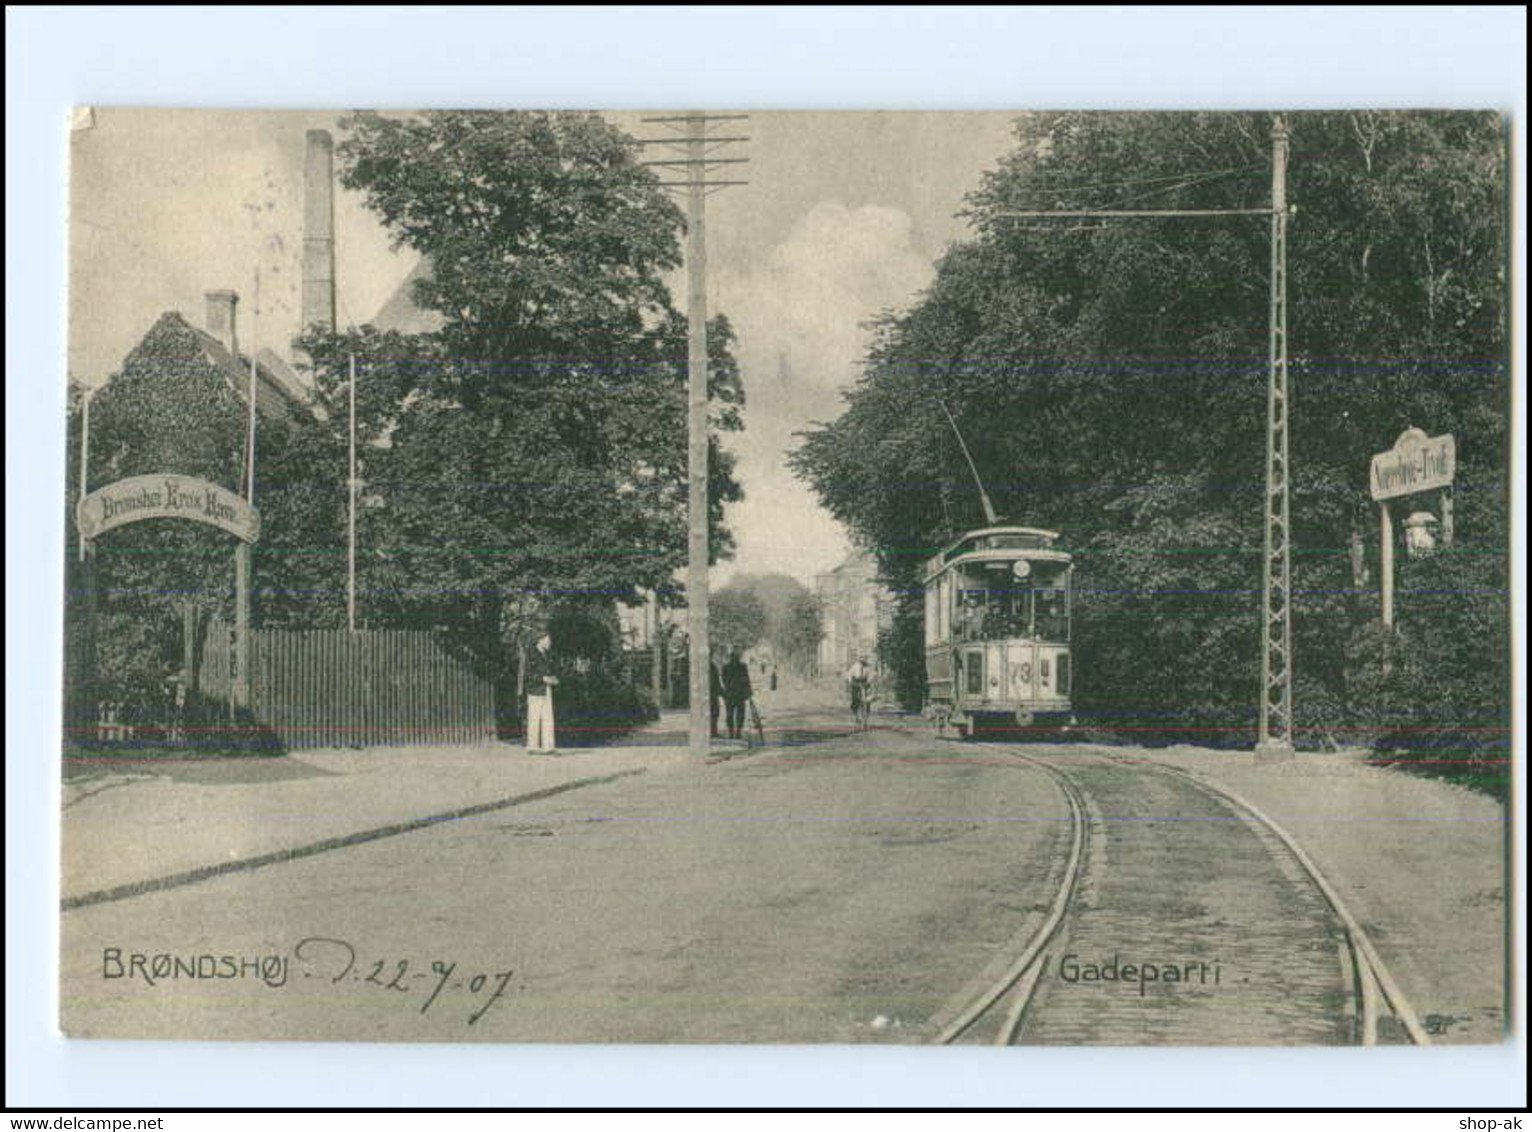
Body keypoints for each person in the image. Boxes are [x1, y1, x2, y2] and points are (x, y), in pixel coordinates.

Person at [523, 633, 560, 753]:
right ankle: (532, 746)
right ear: (541, 640)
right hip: (535, 689)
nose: (550, 643)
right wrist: (543, 678)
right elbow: (528, 674)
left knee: (548, 718)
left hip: (546, 688)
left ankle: (548, 746)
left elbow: (549, 670)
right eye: (548, 640)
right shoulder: (531, 654)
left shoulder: (547, 654)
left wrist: (553, 678)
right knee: (534, 717)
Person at [721, 647, 753, 739]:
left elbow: (724, 680)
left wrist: (748, 691)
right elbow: (746, 680)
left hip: (733, 694)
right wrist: (748, 691)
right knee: (734, 714)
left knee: (734, 714)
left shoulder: (728, 667)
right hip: (737, 694)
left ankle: (735, 732)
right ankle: (735, 732)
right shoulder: (741, 666)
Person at [846, 655, 872, 722]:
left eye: (865, 658)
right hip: (856, 682)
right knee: (855, 698)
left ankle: (866, 714)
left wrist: (868, 681)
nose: (863, 660)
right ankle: (856, 713)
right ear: (859, 659)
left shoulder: (868, 667)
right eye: (862, 658)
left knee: (867, 699)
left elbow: (871, 675)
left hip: (864, 682)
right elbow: (849, 674)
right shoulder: (855, 666)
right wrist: (851, 682)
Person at [709, 661, 724, 738]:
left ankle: (712, 731)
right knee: (714, 713)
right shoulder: (712, 667)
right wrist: (722, 693)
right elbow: (715, 682)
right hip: (712, 694)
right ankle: (713, 732)